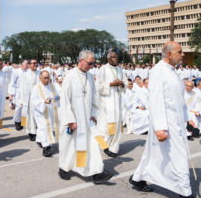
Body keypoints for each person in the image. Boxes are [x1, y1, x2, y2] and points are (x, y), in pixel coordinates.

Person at [129, 41, 195, 198]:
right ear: (170, 54)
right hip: (166, 122)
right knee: (179, 156)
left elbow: (179, 99)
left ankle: (137, 178)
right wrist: (159, 127)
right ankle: (185, 192)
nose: (183, 54)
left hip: (176, 120)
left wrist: (188, 119)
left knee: (153, 154)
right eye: (180, 51)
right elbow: (156, 99)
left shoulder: (172, 71)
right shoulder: (158, 71)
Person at [58, 50, 113, 184]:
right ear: (81, 61)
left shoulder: (89, 76)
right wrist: (70, 120)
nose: (92, 66)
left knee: (91, 145)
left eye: (93, 63)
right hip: (74, 120)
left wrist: (93, 114)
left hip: (87, 119)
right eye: (90, 63)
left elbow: (94, 96)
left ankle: (97, 172)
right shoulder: (70, 76)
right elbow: (64, 99)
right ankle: (63, 168)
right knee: (70, 146)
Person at [96, 51, 127, 157]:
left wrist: (122, 84)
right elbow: (98, 86)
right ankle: (105, 145)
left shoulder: (120, 70)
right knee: (107, 126)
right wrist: (110, 84)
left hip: (117, 102)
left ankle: (114, 147)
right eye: (113, 57)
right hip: (107, 103)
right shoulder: (103, 69)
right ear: (108, 59)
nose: (115, 59)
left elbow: (126, 83)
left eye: (116, 57)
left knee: (117, 125)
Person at [31, 70, 60, 157]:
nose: (47, 80)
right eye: (45, 78)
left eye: (48, 78)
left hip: (50, 110)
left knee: (44, 127)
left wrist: (57, 97)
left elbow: (58, 94)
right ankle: (47, 147)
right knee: (44, 127)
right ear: (40, 78)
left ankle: (39, 140)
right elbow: (34, 101)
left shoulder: (52, 86)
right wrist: (43, 101)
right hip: (40, 111)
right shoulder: (36, 88)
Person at [19, 59, 40, 141]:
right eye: (33, 63)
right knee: (30, 116)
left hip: (38, 98)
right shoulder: (25, 74)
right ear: (29, 65)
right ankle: (31, 132)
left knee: (37, 115)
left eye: (36, 63)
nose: (35, 64)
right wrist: (21, 101)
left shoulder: (39, 73)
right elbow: (21, 88)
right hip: (29, 98)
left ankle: (38, 131)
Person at [8, 60, 29, 130]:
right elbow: (12, 83)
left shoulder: (28, 72)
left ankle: (23, 123)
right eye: (26, 64)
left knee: (25, 109)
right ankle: (17, 122)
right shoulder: (16, 72)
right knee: (18, 108)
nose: (27, 65)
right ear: (22, 64)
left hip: (26, 93)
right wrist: (11, 94)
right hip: (18, 93)